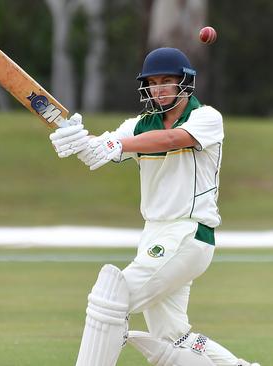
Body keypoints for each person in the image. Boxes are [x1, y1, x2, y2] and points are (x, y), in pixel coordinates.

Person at [49, 47, 260, 366]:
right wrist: (77, 139)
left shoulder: (207, 118)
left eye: (167, 81)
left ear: (185, 83)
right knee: (174, 337)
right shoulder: (137, 126)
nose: (159, 88)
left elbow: (173, 140)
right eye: (152, 82)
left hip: (187, 232)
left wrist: (113, 144)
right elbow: (98, 153)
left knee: (111, 299)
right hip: (155, 235)